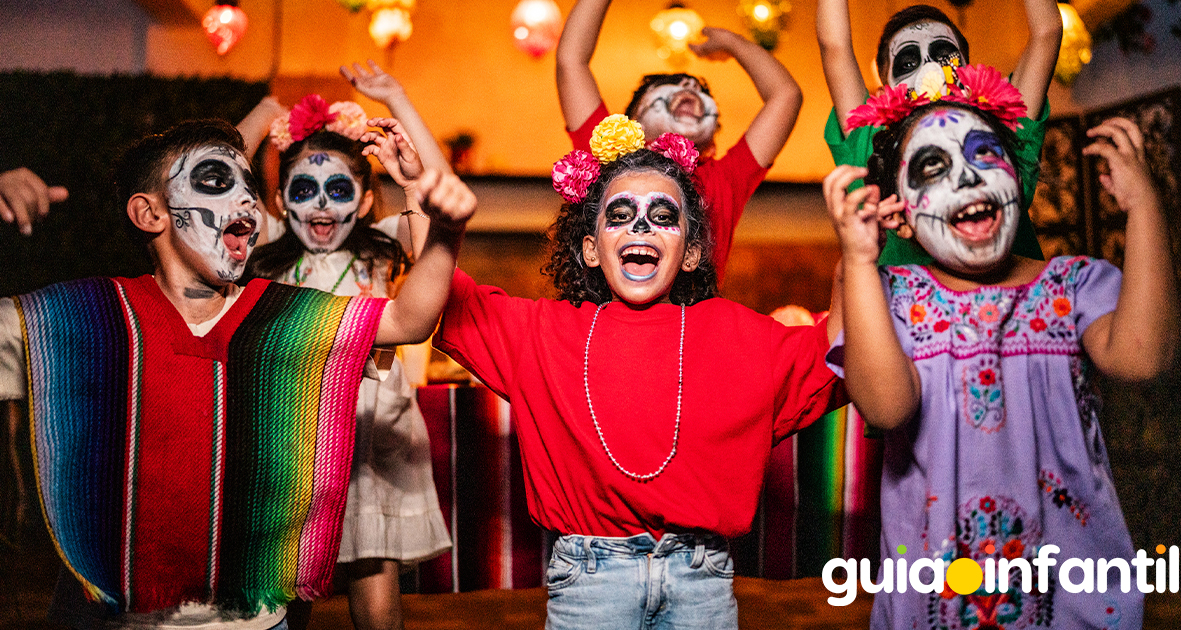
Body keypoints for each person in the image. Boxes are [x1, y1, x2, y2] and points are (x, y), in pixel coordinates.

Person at [0, 118, 474, 629]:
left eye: (249, 188)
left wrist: (445, 228)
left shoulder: (284, 317)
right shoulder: (83, 319)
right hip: (108, 617)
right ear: (149, 213)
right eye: (215, 182)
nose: (246, 203)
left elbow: (409, 319)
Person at [434, 115, 844, 628]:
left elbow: (842, 351)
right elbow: (444, 291)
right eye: (621, 214)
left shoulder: (741, 335)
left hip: (702, 581)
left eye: (662, 215)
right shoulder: (542, 331)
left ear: (692, 253)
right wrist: (424, 202)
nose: (641, 227)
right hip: (589, 582)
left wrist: (857, 245)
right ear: (590, 248)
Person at [822, 68, 1172, 628]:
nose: (967, 178)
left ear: (1017, 177)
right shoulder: (893, 297)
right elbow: (886, 407)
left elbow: (1142, 359)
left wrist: (1144, 208)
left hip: (1074, 599)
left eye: (985, 154)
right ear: (901, 218)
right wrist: (862, 261)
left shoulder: (1072, 285)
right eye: (933, 167)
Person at [244, 93, 452, 630]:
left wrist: (408, 182)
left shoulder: (382, 244)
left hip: (371, 435)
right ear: (280, 200)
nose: (320, 206)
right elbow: (211, 172)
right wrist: (266, 114)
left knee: (373, 574)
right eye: (304, 190)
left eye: (338, 190)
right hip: (291, 437)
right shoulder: (265, 248)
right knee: (285, 579)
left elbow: (438, 247)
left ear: (362, 202)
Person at [556, 0, 803, 281]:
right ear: (632, 122)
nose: (689, 87)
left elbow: (786, 95)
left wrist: (735, 43)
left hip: (696, 323)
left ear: (710, 143)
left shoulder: (720, 180)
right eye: (668, 86)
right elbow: (571, 61)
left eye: (700, 90)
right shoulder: (608, 158)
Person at [816, 0, 1061, 266]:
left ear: (967, 69)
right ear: (885, 87)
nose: (929, 69)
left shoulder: (999, 135)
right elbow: (834, 46)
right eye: (908, 63)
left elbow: (1046, 33)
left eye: (945, 55)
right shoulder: (871, 147)